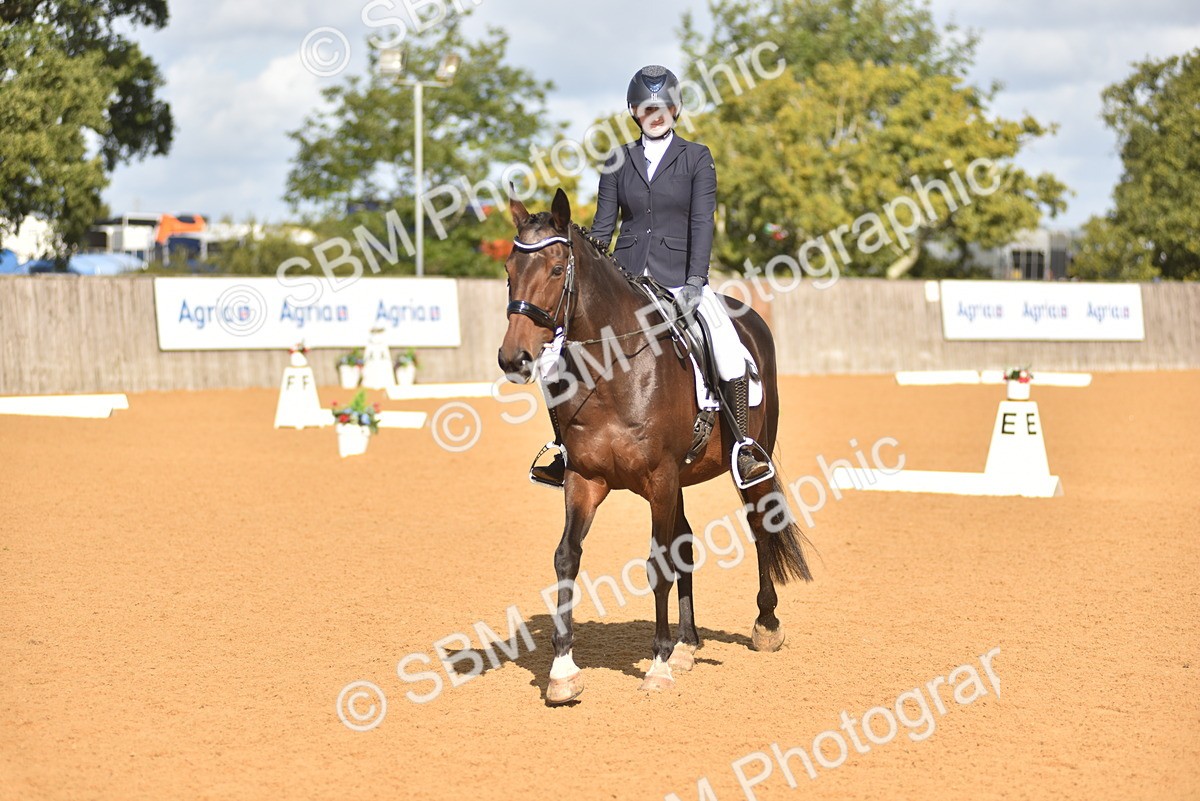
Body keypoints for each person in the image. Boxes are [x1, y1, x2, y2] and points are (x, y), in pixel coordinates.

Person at [530, 64, 771, 488]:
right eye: (646, 107)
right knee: (554, 357)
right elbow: (603, 229)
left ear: (675, 109)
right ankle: (563, 448)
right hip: (625, 278)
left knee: (730, 352)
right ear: (634, 111)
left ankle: (744, 448)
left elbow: (702, 222)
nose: (655, 114)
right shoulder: (617, 160)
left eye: (663, 106)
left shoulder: (696, 157)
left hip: (680, 278)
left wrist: (696, 281)